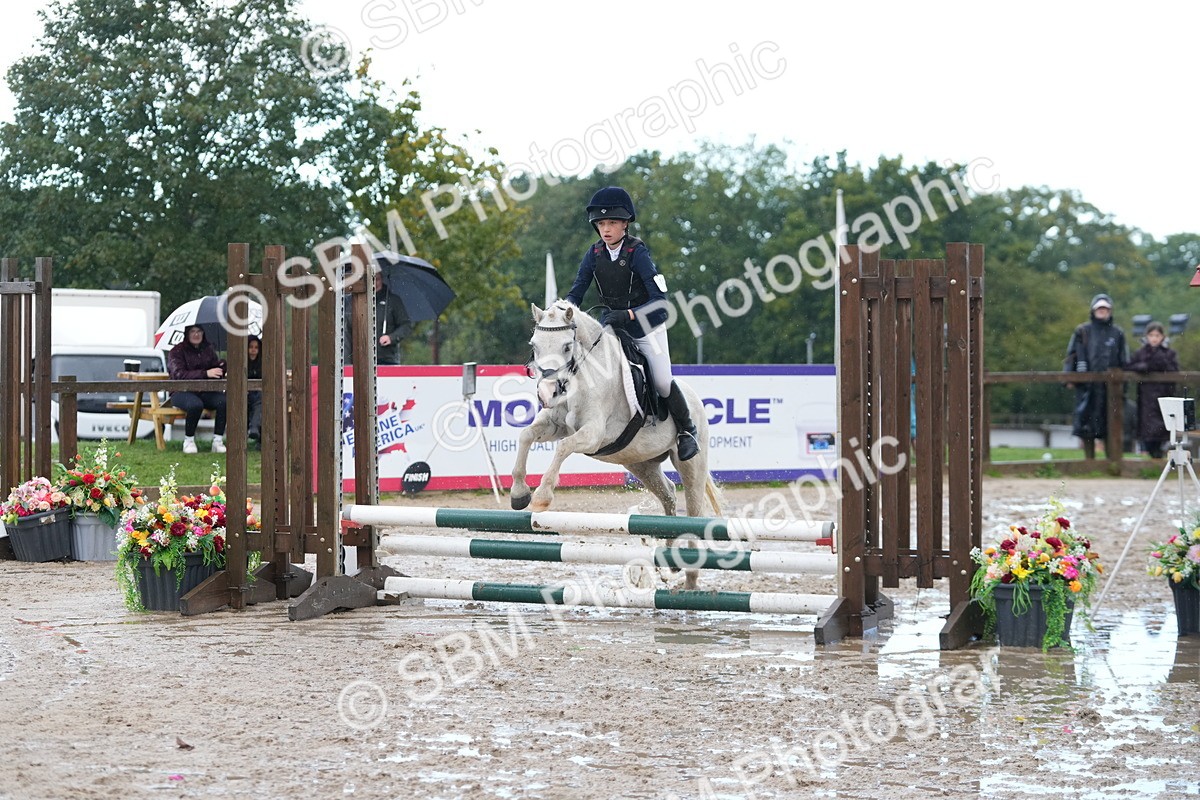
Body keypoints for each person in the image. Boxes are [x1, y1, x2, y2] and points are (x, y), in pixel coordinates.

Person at [563, 186, 699, 460]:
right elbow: (576, 292)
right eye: (601, 223)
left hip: (646, 326)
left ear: (625, 224)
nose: (606, 229)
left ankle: (686, 430)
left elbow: (660, 301)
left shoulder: (638, 253)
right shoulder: (594, 254)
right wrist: (559, 312)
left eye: (612, 222)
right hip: (612, 328)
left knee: (661, 381)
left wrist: (628, 314)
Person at [1064, 293, 1127, 459]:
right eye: (1099, 308)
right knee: (1087, 424)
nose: (1102, 311)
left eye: (1105, 308)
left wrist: (1123, 386)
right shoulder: (1082, 331)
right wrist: (1069, 378)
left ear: (1110, 311)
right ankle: (1089, 461)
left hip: (1110, 388)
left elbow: (1123, 360)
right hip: (1087, 387)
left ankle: (1111, 461)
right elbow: (1072, 356)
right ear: (1093, 310)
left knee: (1110, 424)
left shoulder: (1117, 333)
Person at [167, 324, 228, 454]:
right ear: (187, 334)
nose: (196, 334)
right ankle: (188, 440)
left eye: (199, 331)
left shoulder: (208, 349)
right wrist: (205, 373)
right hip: (180, 391)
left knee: (224, 401)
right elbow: (179, 375)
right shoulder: (176, 351)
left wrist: (221, 366)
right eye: (193, 331)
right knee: (195, 405)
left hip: (205, 391)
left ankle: (217, 441)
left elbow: (214, 371)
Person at [1126, 321, 1179, 458]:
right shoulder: (1140, 353)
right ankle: (1152, 459)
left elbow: (1174, 370)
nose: (1154, 338)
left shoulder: (1169, 353)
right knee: (1148, 431)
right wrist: (1143, 367)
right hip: (1146, 398)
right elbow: (1129, 366)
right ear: (1147, 336)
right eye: (1151, 335)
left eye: (1157, 335)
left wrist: (1153, 364)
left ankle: (1158, 458)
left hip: (1164, 396)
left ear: (1162, 336)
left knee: (1161, 430)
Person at [343, 268, 414, 366]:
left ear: (382, 279)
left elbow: (406, 325)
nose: (374, 283)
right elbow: (346, 331)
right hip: (359, 359)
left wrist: (391, 337)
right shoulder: (351, 302)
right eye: (371, 279)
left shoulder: (393, 301)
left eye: (377, 279)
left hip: (386, 360)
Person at [246, 334, 262, 442]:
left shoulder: (263, 362)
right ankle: (253, 428)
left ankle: (254, 428)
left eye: (256, 347)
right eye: (251, 347)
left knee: (261, 402)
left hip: (258, 393)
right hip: (244, 393)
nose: (253, 350)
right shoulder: (241, 361)